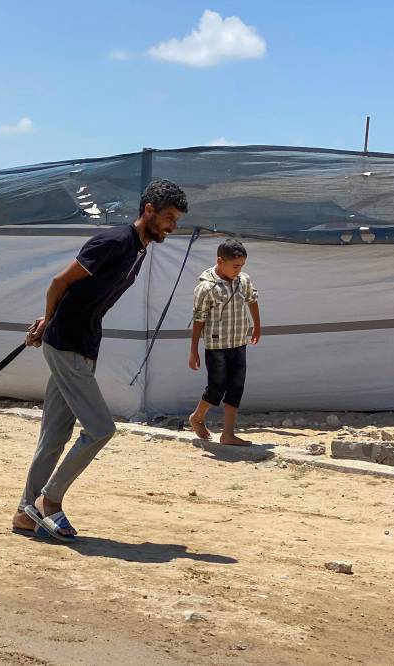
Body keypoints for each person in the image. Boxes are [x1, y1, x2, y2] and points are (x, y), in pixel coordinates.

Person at [13, 180, 189, 541]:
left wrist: (49, 323)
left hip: (83, 343)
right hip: (67, 343)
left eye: (177, 220)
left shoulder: (139, 251)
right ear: (148, 210)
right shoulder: (113, 242)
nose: (172, 226)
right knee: (101, 429)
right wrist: (48, 322)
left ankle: (24, 516)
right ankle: (50, 500)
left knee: (54, 436)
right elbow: (59, 282)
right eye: (168, 217)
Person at [187, 239, 261, 446]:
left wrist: (257, 326)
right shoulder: (205, 288)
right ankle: (197, 417)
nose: (239, 270)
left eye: (242, 266)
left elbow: (252, 300)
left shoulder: (243, 280)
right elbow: (199, 319)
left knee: (236, 386)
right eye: (235, 265)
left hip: (239, 341)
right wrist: (194, 350)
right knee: (216, 386)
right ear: (220, 261)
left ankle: (228, 433)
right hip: (216, 346)